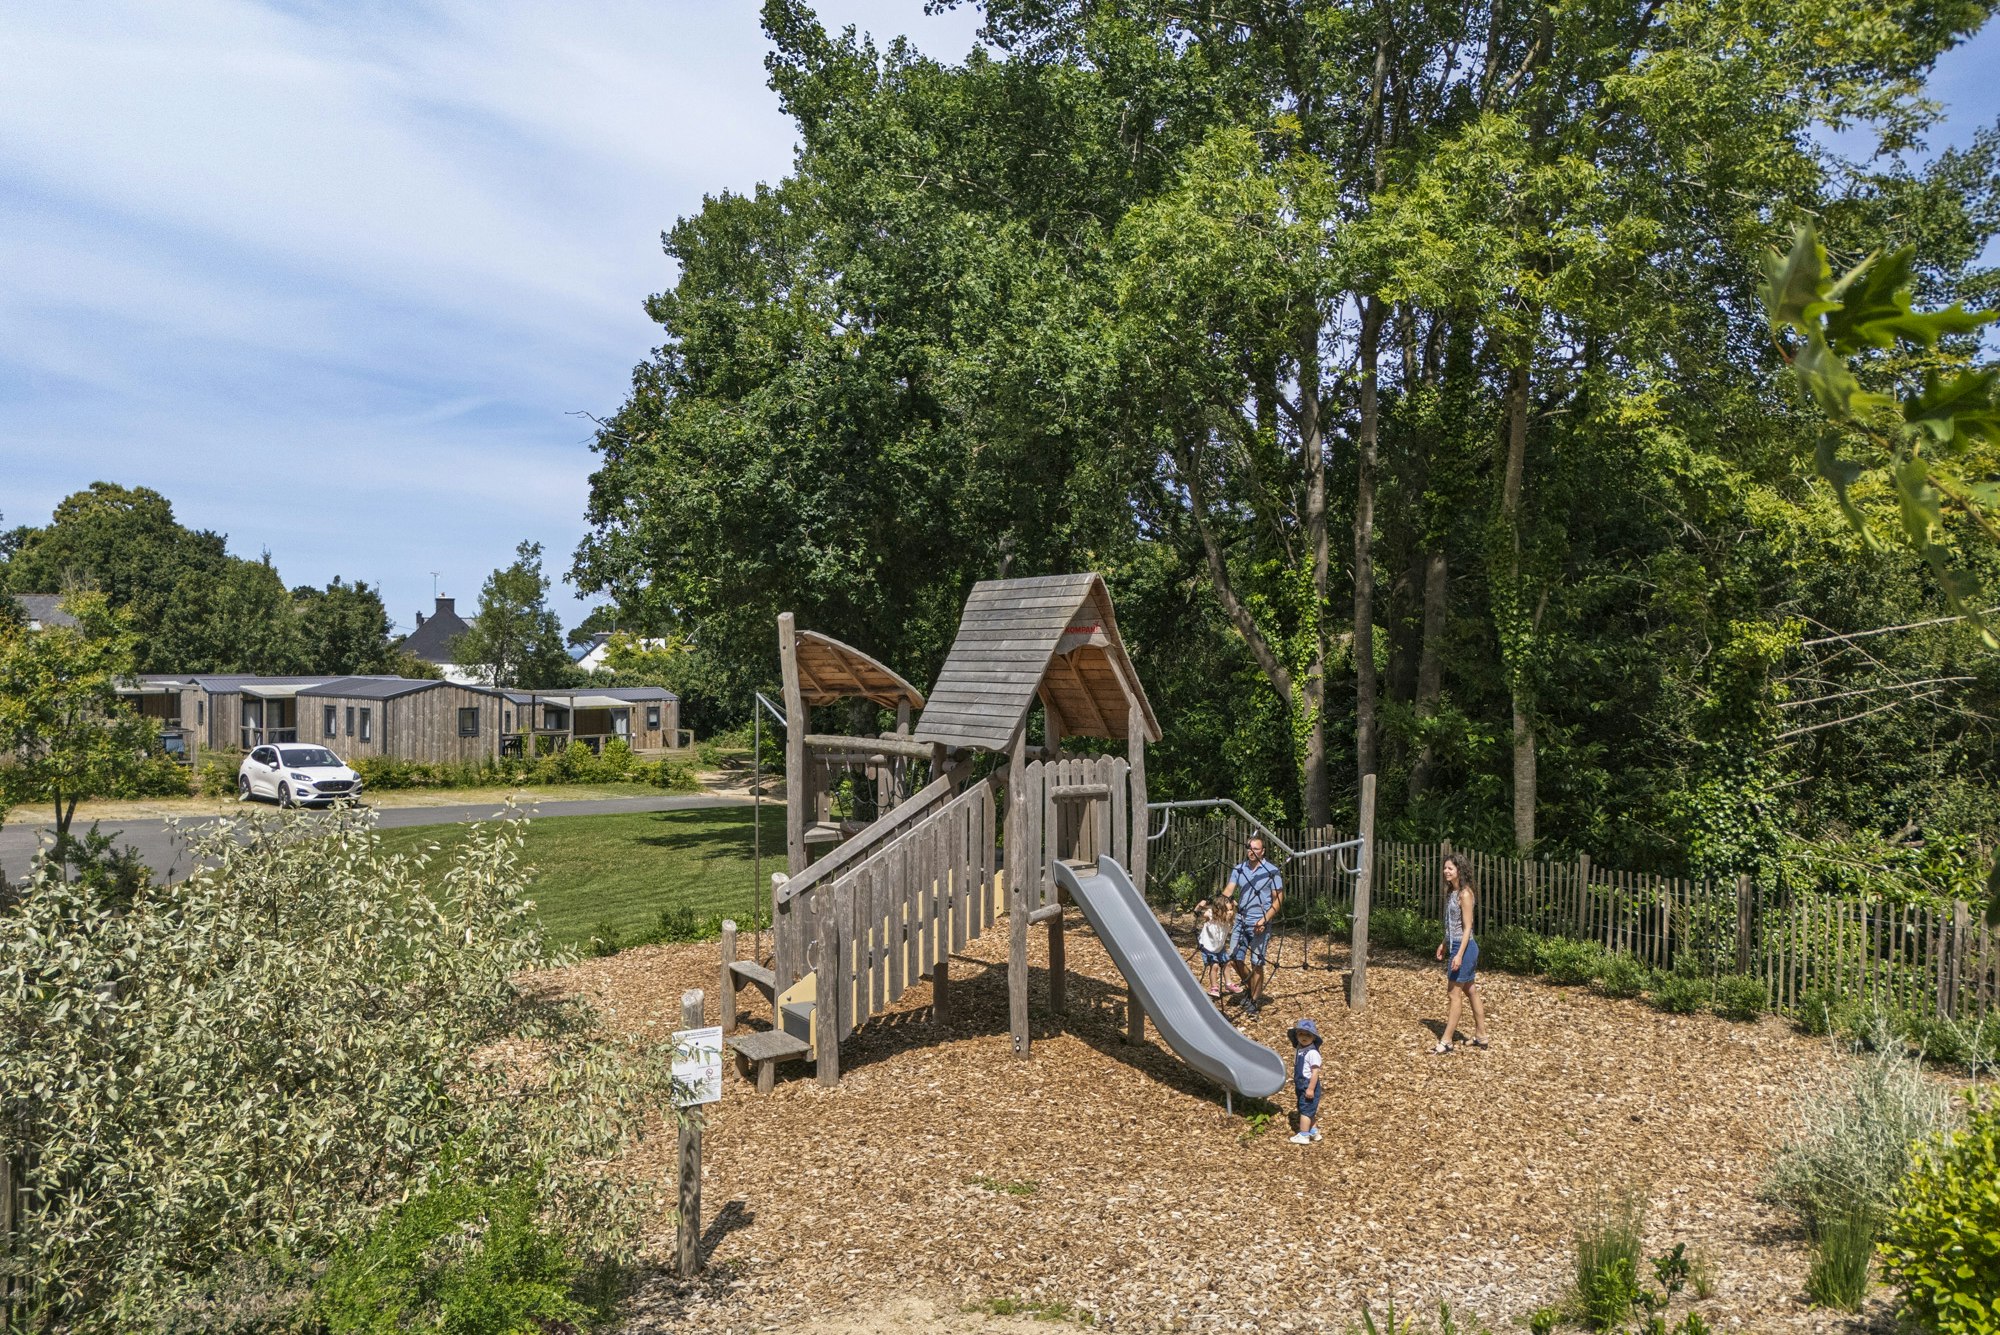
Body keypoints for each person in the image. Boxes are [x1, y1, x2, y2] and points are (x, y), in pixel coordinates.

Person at [1432, 853, 1490, 1053]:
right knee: (1470, 990)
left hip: (1465, 948)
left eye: (1450, 868)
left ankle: (1447, 1041)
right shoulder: (1452, 892)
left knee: (1453, 993)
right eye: (1445, 868)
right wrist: (1444, 943)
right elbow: (1452, 925)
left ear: (1460, 871)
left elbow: (1468, 927)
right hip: (1456, 945)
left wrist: (1458, 954)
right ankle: (1481, 1035)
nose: (1446, 871)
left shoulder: (1465, 894)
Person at [1222, 834, 1283, 1016]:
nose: (1252, 852)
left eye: (1256, 849)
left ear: (1262, 851)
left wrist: (1264, 920)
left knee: (1257, 963)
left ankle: (1254, 1002)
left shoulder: (1272, 871)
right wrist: (1214, 902)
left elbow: (1278, 900)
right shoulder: (1239, 869)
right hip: (1241, 920)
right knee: (1234, 959)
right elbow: (1229, 891)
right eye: (1249, 848)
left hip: (1260, 923)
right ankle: (1251, 987)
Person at [1287, 1018, 1323, 1145]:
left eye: (1308, 1035)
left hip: (1308, 1085)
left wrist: (1311, 1088)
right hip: (1301, 1084)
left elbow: (1315, 1072)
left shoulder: (1312, 1053)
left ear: (1313, 1038)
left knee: (1305, 1110)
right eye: (1301, 1033)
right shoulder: (1300, 1049)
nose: (1304, 1037)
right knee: (1309, 1109)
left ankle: (1303, 1135)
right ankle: (1313, 1131)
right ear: (1296, 1036)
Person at [1194, 896, 1235, 999]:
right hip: (1207, 946)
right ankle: (1214, 987)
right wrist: (1200, 905)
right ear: (1219, 910)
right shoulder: (1211, 915)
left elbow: (1237, 909)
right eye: (1227, 910)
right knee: (1215, 966)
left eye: (1231, 910)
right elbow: (1197, 913)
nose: (1230, 913)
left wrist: (1233, 903)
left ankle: (1228, 983)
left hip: (1219, 947)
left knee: (1228, 963)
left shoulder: (1228, 920)